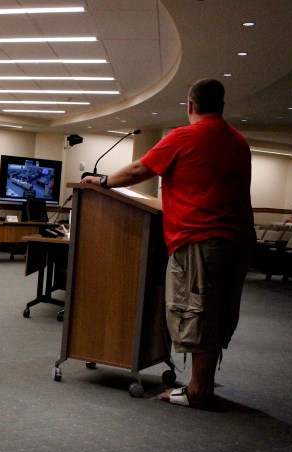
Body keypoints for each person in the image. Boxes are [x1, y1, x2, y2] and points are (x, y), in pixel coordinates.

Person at [81, 78, 255, 408]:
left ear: (190, 106)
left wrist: (102, 180)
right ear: (221, 106)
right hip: (239, 242)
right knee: (216, 310)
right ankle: (200, 384)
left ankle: (199, 390)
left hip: (199, 239)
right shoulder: (239, 141)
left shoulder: (184, 136)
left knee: (197, 310)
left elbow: (138, 169)